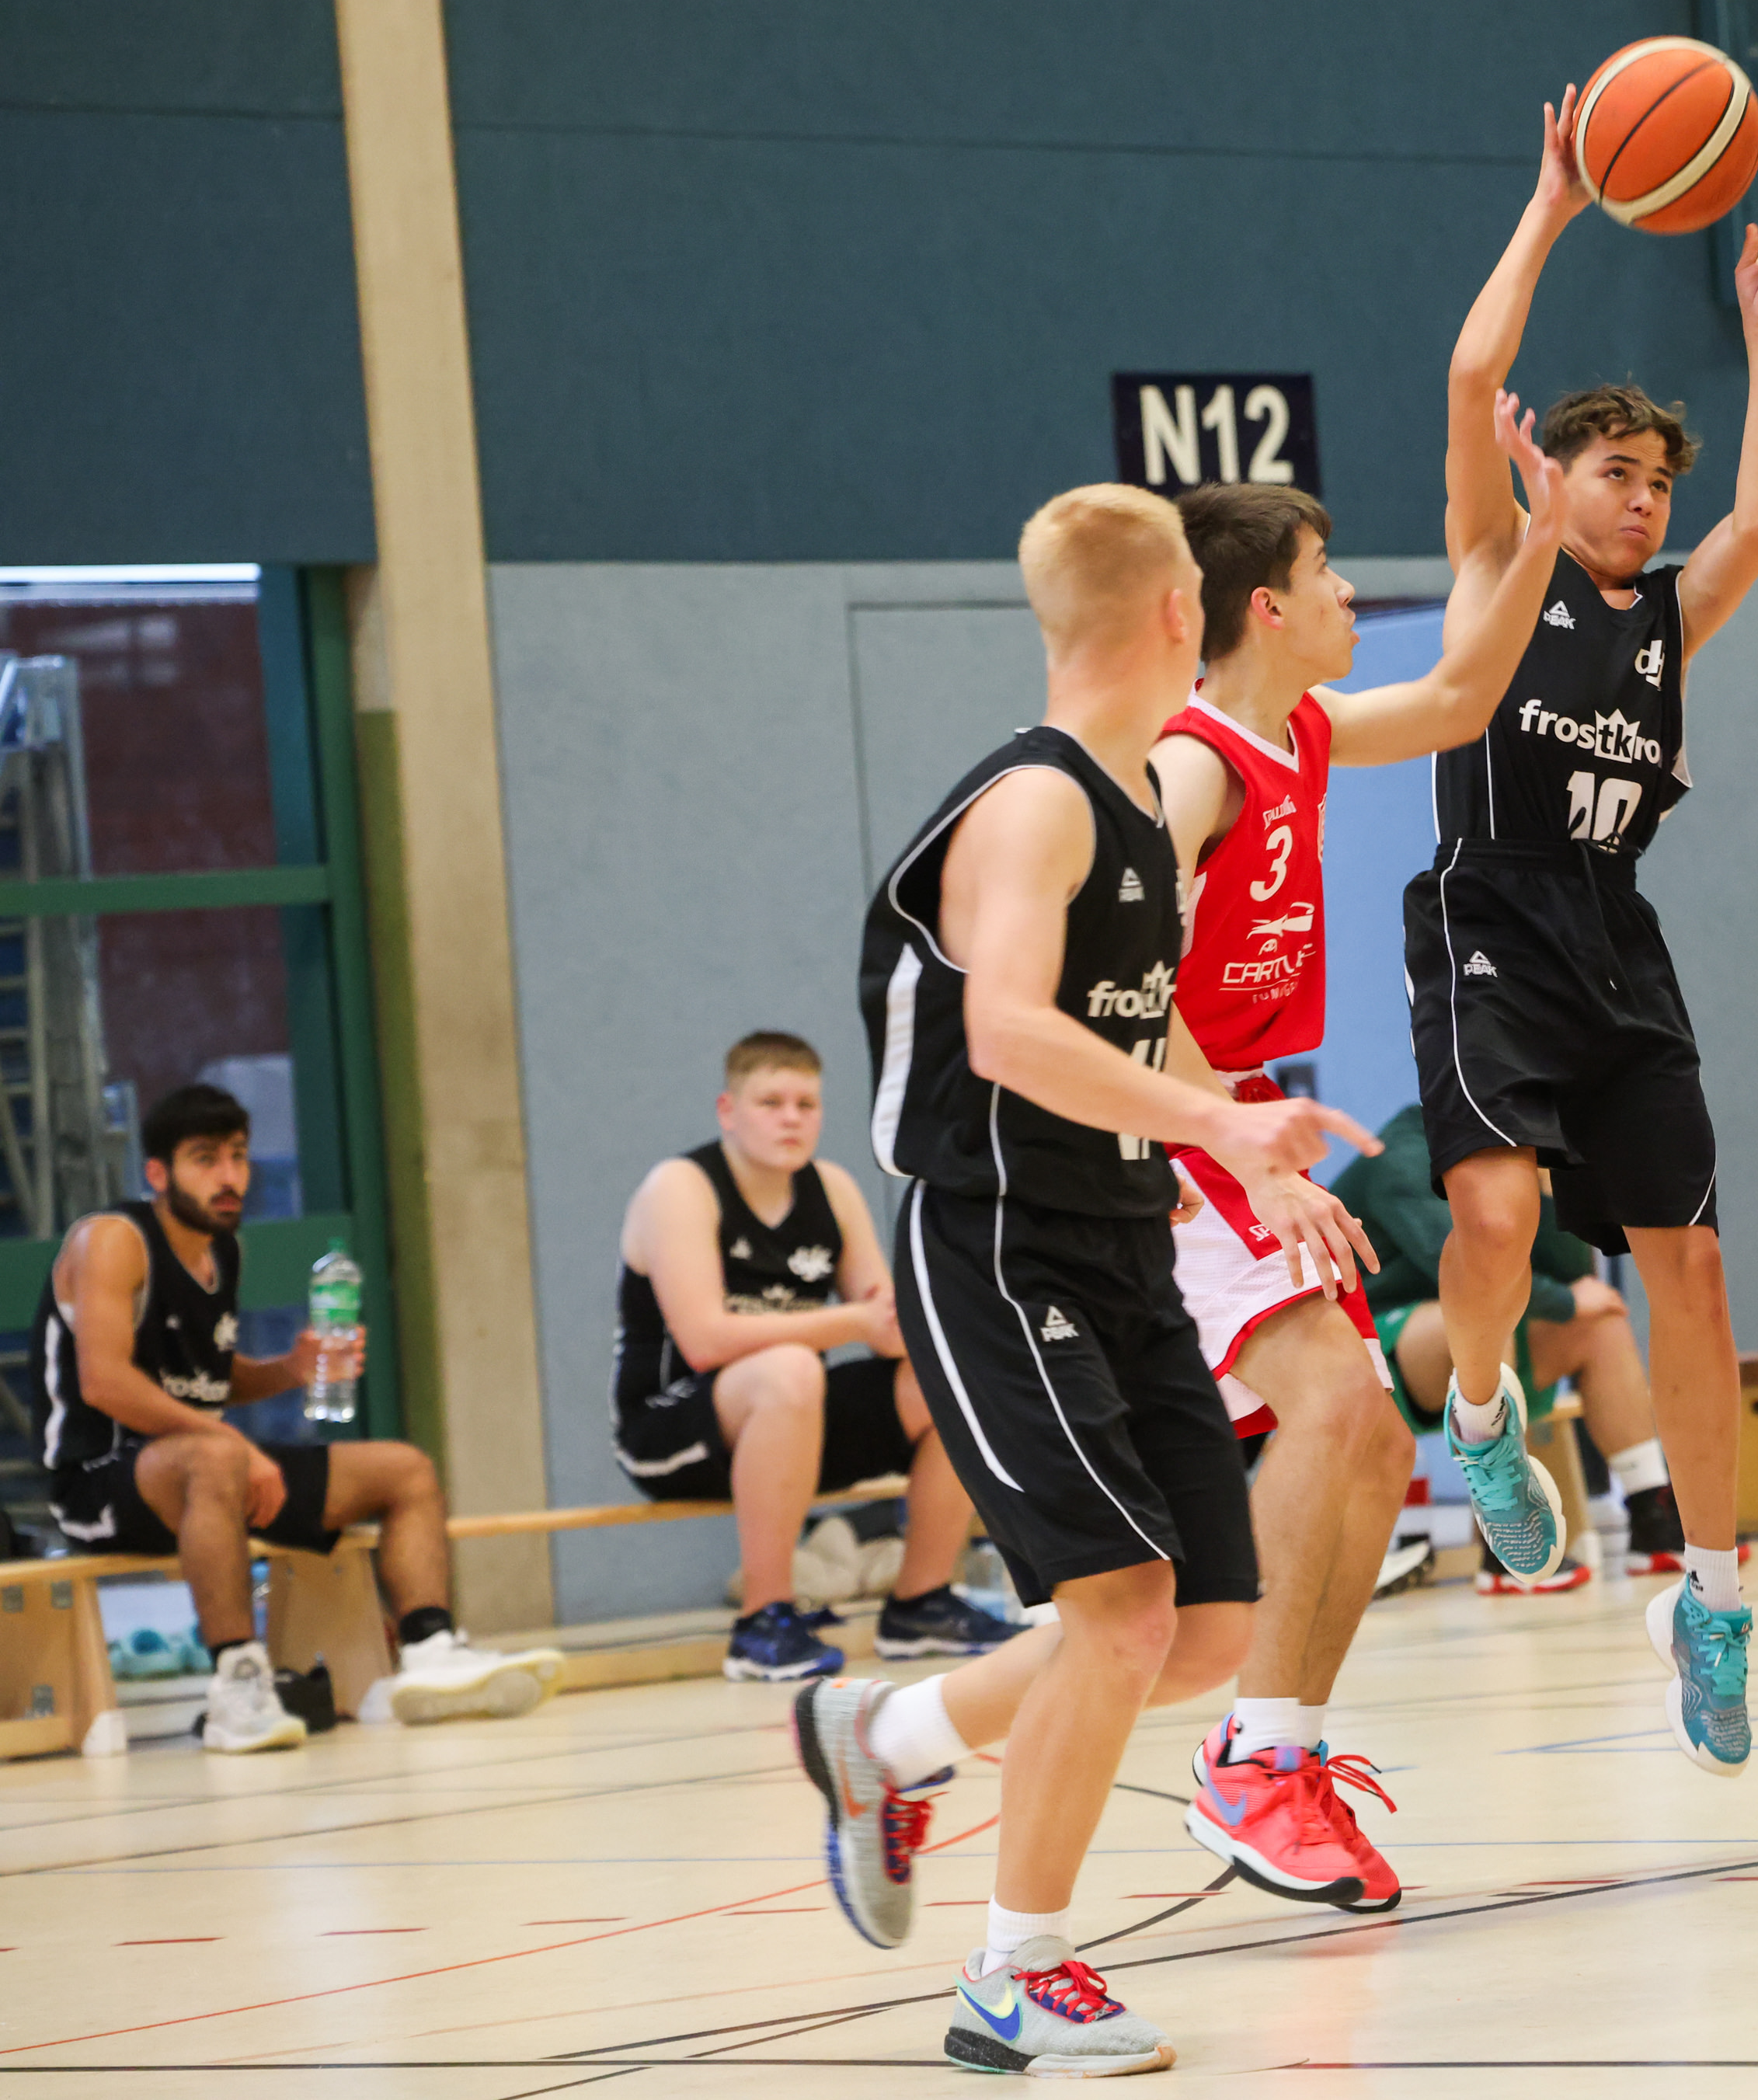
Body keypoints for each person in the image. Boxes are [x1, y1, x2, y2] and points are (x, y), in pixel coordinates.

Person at [790, 483, 1378, 2075]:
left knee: (1199, 1629)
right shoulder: (1039, 800)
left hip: (1119, 1234)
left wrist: (1243, 1150)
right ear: (1183, 609)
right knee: (1115, 1609)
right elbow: (1007, 1031)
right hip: (996, 1236)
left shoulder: (1132, 800)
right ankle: (1013, 1969)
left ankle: (886, 1734)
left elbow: (1141, 1024)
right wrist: (1221, 1120)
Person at [1407, 84, 1758, 1773]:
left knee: (1692, 1270)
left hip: (1616, 937)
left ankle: (1709, 1600)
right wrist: (1554, 204)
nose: (1642, 502)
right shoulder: (1498, 561)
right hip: (1487, 906)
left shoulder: (1668, 617)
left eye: (1655, 481)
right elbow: (1464, 378)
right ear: (1554, 478)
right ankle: (1482, 1415)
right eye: (1614, 474)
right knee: (1494, 1211)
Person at [1147, 443, 1564, 1910]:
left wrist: (1540, 544)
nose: (1347, 596)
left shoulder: (1301, 730)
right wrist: (1233, 1144)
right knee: (1333, 1411)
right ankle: (1251, 1758)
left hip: (1240, 1110)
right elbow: (1130, 981)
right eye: (1324, 574)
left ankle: (1280, 1747)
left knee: (1377, 1443)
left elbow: (1459, 699)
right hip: (1177, 1125)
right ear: (1264, 605)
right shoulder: (1190, 763)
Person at [37, 1082, 562, 1750]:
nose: (230, 1176)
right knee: (218, 1455)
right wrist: (232, 1446)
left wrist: (290, 1367)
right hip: (98, 1482)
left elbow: (206, 1380)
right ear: (158, 1173)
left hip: (205, 1474)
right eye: (206, 1159)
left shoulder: (222, 1250)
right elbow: (105, 1382)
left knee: (404, 1470)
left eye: (238, 1155)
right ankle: (239, 1686)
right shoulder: (112, 1240)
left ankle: (430, 1650)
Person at [613, 1030, 1018, 1680]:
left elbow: (886, 1323)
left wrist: (931, 1311)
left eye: (806, 1104)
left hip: (792, 1418)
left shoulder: (832, 1188)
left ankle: (921, 1602)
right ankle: (763, 1619)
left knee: (948, 1377)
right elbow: (704, 1341)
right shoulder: (681, 1187)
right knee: (792, 1367)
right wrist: (851, 1321)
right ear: (728, 1111)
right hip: (670, 1427)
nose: (791, 1119)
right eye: (770, 1102)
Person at [1331, 1102, 1690, 1591]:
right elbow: (1464, 1268)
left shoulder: (1514, 1153)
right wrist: (1564, 1300)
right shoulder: (1401, 1155)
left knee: (1599, 1324)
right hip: (1365, 1348)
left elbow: (1573, 1275)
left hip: (1459, 1331)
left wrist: (1548, 1184)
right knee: (1485, 1313)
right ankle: (1503, 1538)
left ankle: (1653, 1516)